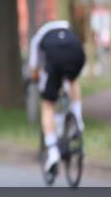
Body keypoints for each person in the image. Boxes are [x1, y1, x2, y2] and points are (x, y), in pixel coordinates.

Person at [29, 19, 86, 175]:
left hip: (54, 59)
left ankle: (52, 152)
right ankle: (78, 119)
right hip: (76, 53)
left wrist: (34, 79)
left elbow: (34, 68)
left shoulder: (39, 37)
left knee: (47, 104)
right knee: (73, 80)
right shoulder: (69, 29)